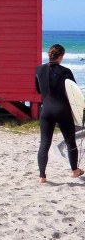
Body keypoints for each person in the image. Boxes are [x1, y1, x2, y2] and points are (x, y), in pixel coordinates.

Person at [36, 44, 84, 184]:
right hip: (62, 110)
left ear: (49, 55)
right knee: (70, 142)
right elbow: (74, 93)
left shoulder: (39, 70)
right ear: (61, 56)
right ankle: (75, 171)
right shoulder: (66, 71)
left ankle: (42, 176)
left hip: (46, 111)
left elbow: (38, 90)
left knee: (44, 143)